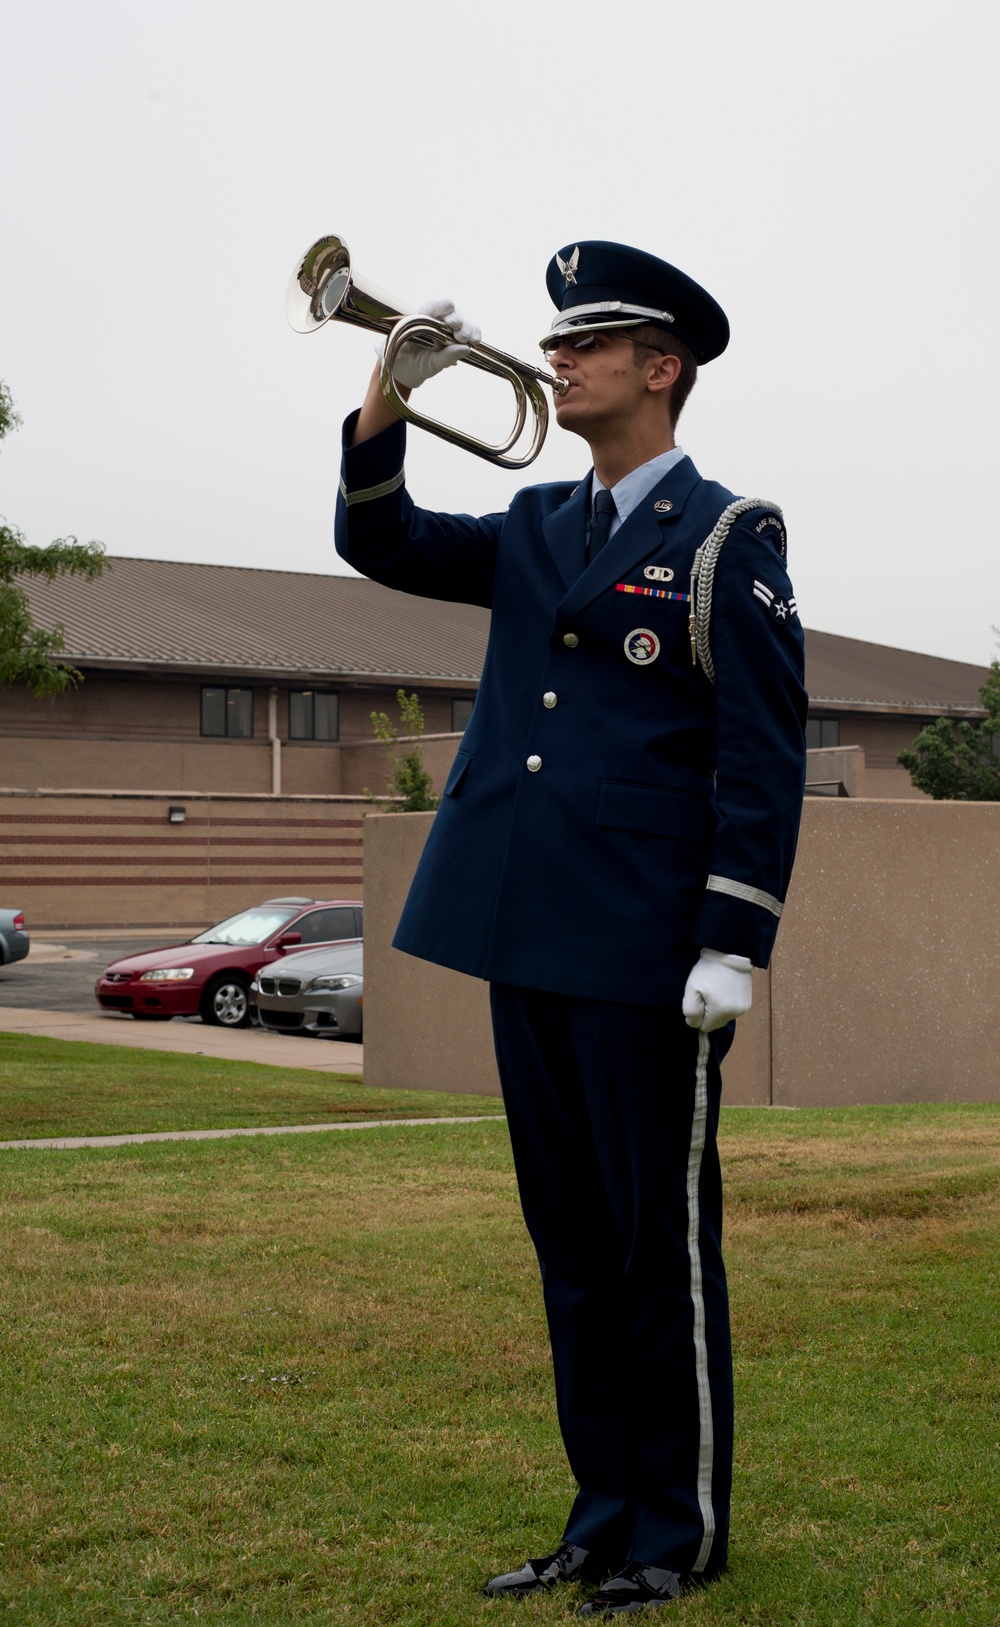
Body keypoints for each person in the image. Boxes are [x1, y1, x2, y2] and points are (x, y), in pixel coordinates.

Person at [335, 242, 807, 1617]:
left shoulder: (730, 538)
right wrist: (386, 392)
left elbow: (760, 756)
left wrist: (736, 934)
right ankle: (601, 1520)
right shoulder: (541, 526)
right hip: (527, 925)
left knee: (658, 1250)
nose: (559, 358)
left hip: (649, 947)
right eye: (557, 340)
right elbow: (382, 541)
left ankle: (681, 1529)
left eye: (591, 341)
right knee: (574, 1251)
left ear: (661, 368)